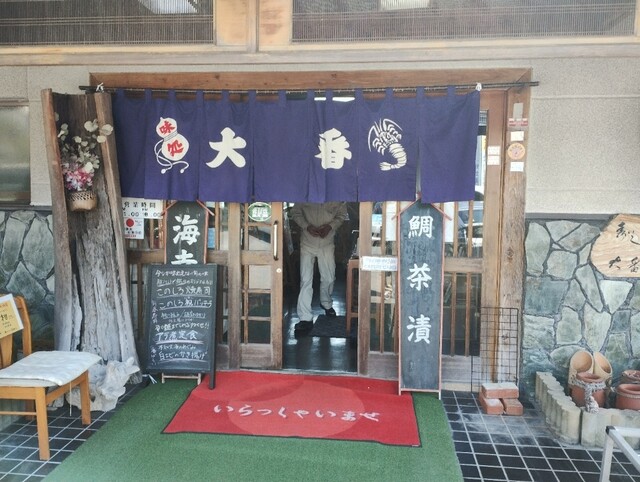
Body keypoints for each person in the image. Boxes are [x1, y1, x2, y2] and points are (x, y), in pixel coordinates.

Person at [290, 202, 347, 333]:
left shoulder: (337, 195)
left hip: (327, 243)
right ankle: (305, 318)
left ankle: (326, 303)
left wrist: (330, 226)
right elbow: (295, 212)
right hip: (307, 243)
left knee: (329, 277)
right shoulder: (305, 194)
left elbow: (342, 214)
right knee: (305, 280)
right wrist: (307, 226)